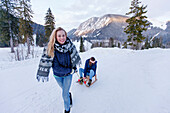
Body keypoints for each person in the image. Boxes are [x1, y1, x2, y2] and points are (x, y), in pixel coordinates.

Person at [36, 27, 81, 113]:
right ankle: (69, 95)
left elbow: (73, 59)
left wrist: (74, 67)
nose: (62, 38)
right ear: (55, 37)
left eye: (63, 35)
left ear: (66, 36)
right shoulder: (52, 49)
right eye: (59, 36)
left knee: (64, 94)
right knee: (65, 91)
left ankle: (67, 110)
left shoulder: (70, 46)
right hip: (58, 75)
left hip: (68, 76)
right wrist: (70, 70)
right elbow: (56, 67)